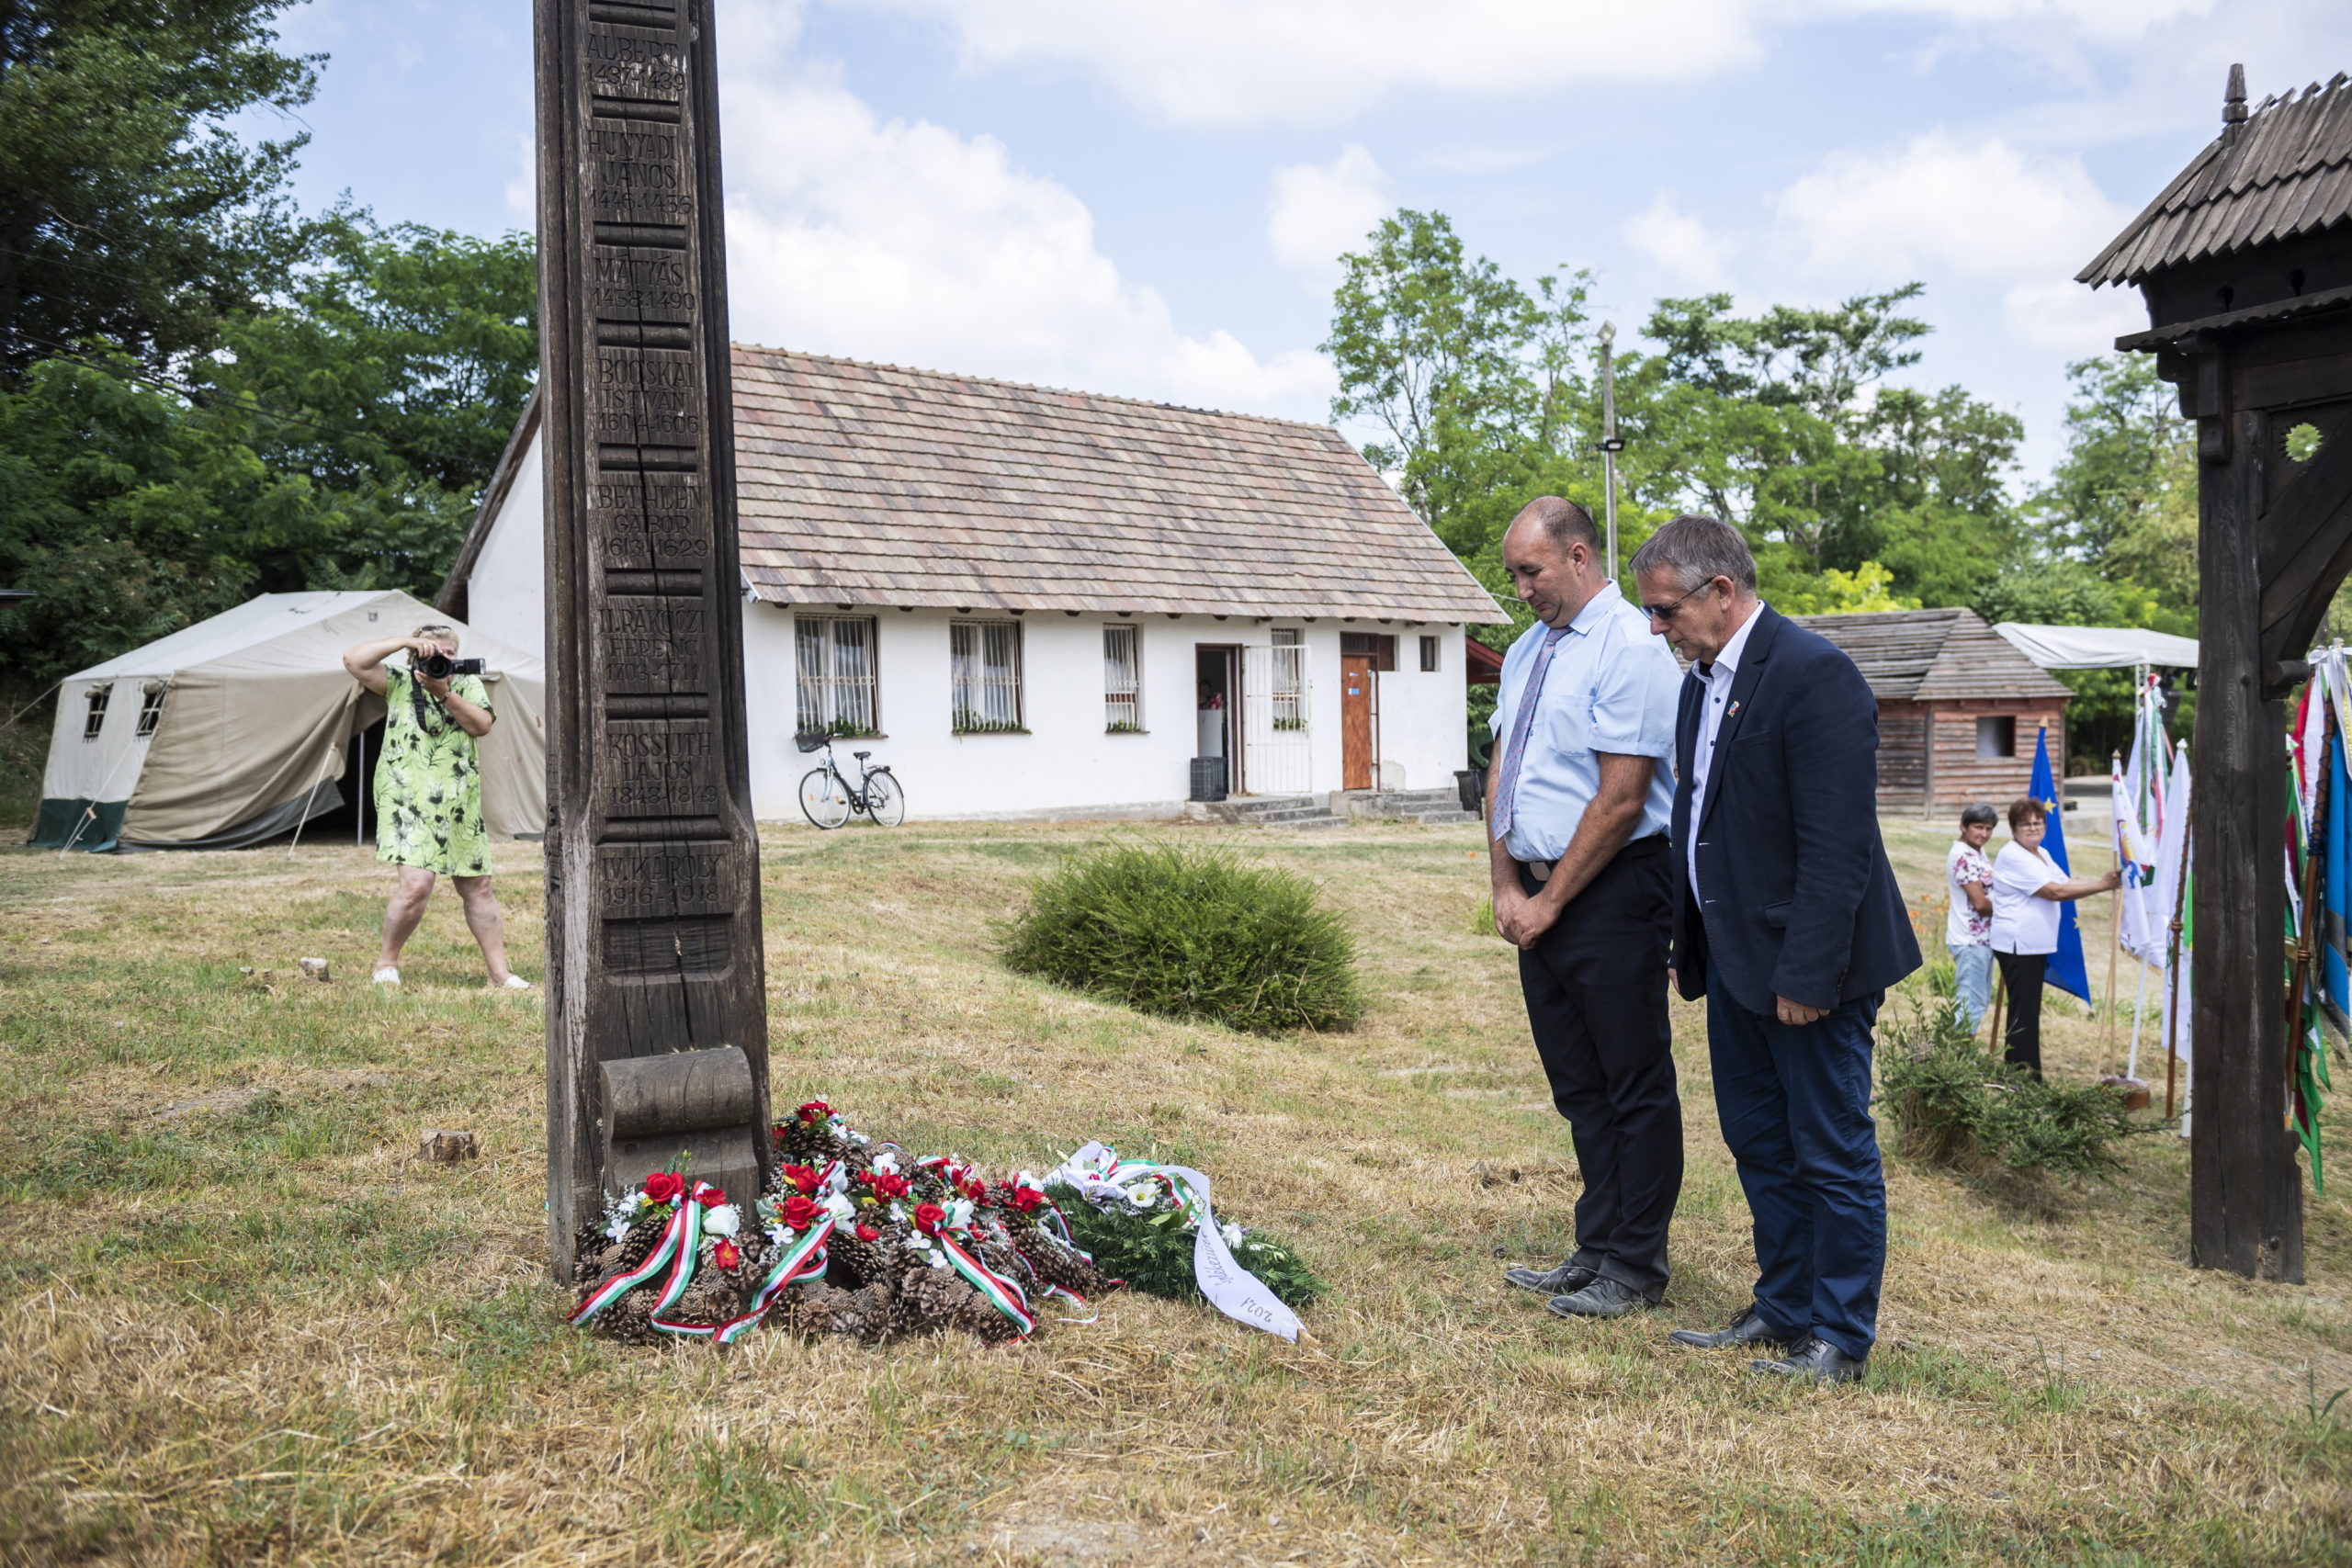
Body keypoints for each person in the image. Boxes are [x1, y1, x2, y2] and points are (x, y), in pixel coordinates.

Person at [1633, 513, 1920, 1385]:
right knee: (1759, 1140)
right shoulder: (1700, 682)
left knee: (1829, 1148)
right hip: (1734, 962)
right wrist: (1691, 941)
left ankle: (1838, 1334)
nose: (1656, 627)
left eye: (1664, 609)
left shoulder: (1815, 675)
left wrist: (1809, 973)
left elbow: (1840, 845)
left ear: (1722, 591)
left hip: (1809, 970)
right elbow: (1702, 823)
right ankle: (1785, 1304)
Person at [1487, 497, 1686, 1321]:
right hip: (1537, 890)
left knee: (1632, 1079)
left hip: (1611, 889)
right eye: (1514, 575)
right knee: (1579, 1084)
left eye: (1530, 571)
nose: (1522, 589)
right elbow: (1501, 767)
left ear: (1577, 556)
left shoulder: (1632, 646)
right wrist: (1506, 884)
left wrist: (1553, 899)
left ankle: (1636, 1263)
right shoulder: (1528, 650)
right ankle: (1596, 1244)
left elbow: (1621, 795)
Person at [342, 625, 530, 990]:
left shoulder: (468, 684)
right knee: (416, 885)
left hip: (459, 803)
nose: (443, 660)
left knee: (479, 887)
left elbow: (482, 725)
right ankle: (386, 963)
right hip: (406, 798)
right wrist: (404, 642)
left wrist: (444, 694)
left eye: (448, 653)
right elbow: (352, 659)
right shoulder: (396, 681)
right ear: (417, 657)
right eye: (434, 653)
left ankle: (499, 975)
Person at [1988, 795, 2118, 1079]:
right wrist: (2103, 886)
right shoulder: (2013, 854)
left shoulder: (2041, 853)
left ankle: (2020, 1071)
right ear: (2014, 828)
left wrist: (2104, 881)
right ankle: (2024, 1075)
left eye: (2038, 823)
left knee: (2027, 1009)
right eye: (2026, 824)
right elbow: (2053, 892)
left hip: (2034, 944)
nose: (2033, 828)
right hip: (2017, 944)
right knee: (2024, 1010)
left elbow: (2065, 882)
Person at [1946, 805, 1998, 1032]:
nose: (1984, 834)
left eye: (1989, 829)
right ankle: (1960, 1060)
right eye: (1978, 827)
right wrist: (2012, 910)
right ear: (1963, 826)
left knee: (1979, 1001)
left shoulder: (1976, 851)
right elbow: (1980, 903)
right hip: (1969, 940)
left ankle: (1964, 1058)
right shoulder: (1963, 856)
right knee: (1969, 1005)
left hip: (1982, 940)